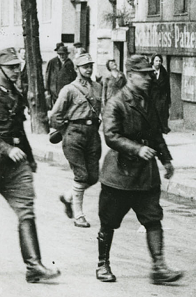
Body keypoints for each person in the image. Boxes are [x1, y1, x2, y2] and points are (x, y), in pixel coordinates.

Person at [96, 55, 182, 284]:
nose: (148, 77)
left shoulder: (148, 101)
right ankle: (102, 264)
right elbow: (111, 136)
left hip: (145, 175)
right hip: (120, 174)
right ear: (131, 75)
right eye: (143, 74)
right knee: (109, 222)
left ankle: (159, 267)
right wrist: (136, 149)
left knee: (153, 219)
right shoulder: (116, 102)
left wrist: (166, 160)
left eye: (149, 74)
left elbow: (155, 134)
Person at [0, 48, 61, 283]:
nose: (17, 71)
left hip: (14, 167)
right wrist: (7, 149)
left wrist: (30, 158)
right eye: (11, 67)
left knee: (26, 210)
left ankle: (34, 266)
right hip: (6, 155)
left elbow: (18, 130)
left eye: (18, 66)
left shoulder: (15, 93)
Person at [49, 53, 102, 228]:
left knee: (93, 177)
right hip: (74, 134)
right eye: (85, 66)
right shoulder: (69, 89)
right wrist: (66, 131)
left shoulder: (97, 87)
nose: (88, 69)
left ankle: (68, 197)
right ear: (77, 69)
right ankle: (79, 215)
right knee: (81, 175)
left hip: (93, 133)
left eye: (90, 66)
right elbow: (55, 115)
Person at [151, 55, 171, 134]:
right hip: (151, 99)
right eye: (156, 61)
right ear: (153, 61)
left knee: (161, 119)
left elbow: (168, 88)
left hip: (161, 99)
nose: (158, 63)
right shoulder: (148, 72)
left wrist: (168, 100)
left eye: (160, 61)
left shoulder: (164, 73)